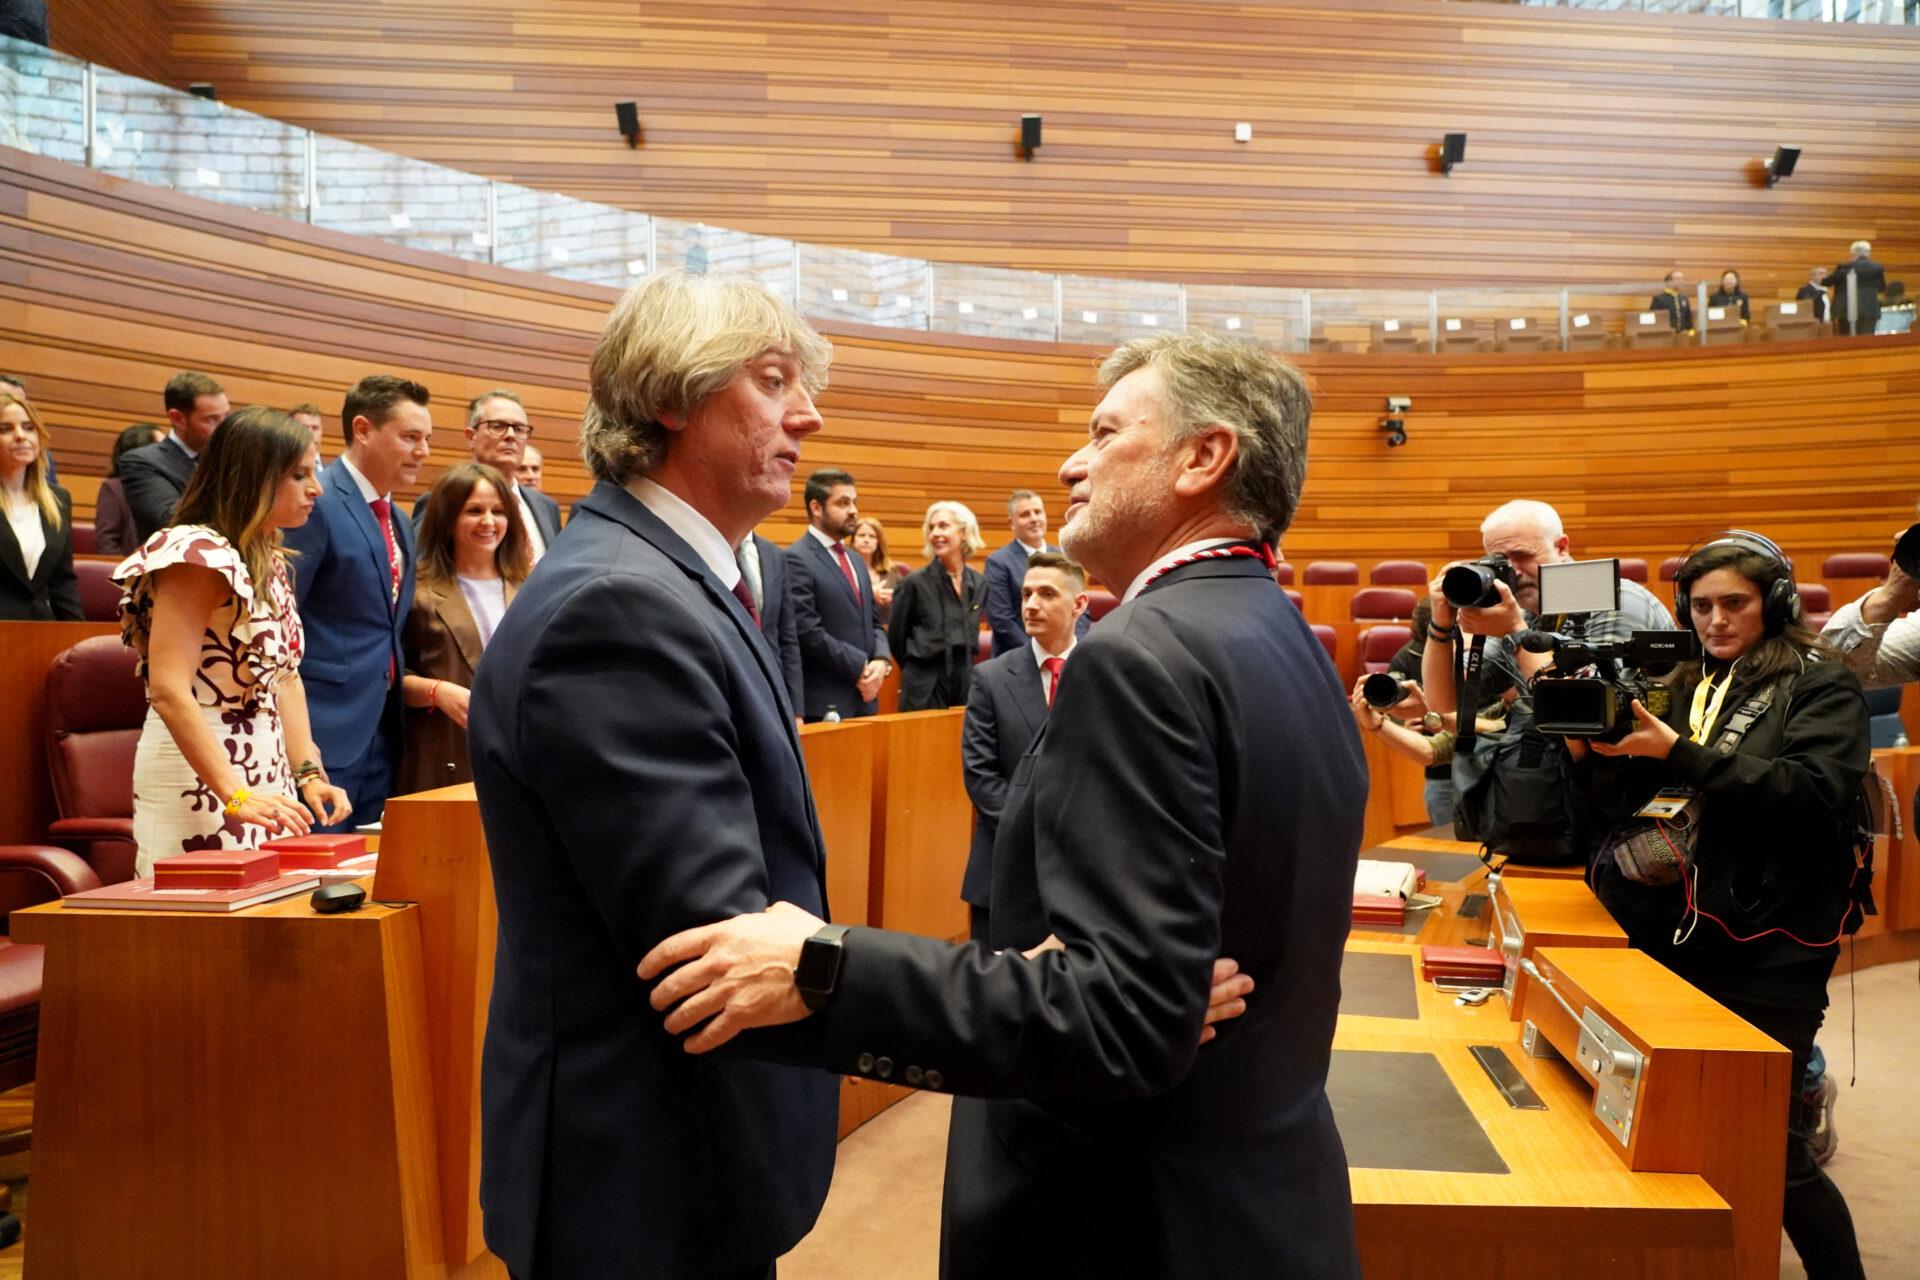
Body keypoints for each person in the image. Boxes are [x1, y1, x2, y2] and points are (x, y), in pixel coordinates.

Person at [643, 329, 1368, 1280]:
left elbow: (1123, 1017)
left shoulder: (1142, 655)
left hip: (1129, 1218)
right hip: (1262, 1200)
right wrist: (1142, 986)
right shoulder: (1282, 633)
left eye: (1106, 434)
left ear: (1203, 457)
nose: (1072, 465)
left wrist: (823, 967)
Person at [466, 271, 841, 1280]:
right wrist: (1008, 1000)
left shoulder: (674, 579)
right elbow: (716, 939)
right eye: (773, 380)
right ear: (672, 396)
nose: (808, 414)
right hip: (636, 1174)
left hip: (684, 1149)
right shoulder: (616, 606)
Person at [1557, 531, 1869, 1280]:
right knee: (1669, 1130)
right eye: (1701, 606)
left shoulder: (1820, 682)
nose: (1716, 620)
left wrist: (1678, 752)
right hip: (1670, 935)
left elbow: (1811, 792)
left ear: (1776, 603)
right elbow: (1628, 819)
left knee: (1774, 1154)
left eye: (1735, 603)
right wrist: (1588, 760)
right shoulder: (1680, 680)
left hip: (1771, 948)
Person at [113, 407, 350, 876]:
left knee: (268, 909)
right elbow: (168, 689)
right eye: (299, 475)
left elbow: (285, 678)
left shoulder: (269, 554)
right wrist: (234, 793)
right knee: (197, 912)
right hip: (200, 773)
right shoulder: (195, 555)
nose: (316, 488)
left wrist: (307, 773)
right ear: (253, 478)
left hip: (265, 766)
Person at [282, 374, 431, 829]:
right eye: (410, 437)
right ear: (363, 429)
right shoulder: (315, 502)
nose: (423, 451)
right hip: (323, 731)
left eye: (426, 439)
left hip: (383, 730)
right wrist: (300, 744)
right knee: (317, 868)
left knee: (368, 867)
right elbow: (282, 620)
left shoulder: (399, 519)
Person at [959, 550, 1085, 940]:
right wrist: (1039, 831)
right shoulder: (990, 677)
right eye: (1026, 594)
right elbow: (980, 775)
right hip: (1004, 870)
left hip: (1081, 876)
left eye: (1047, 594)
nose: (1031, 604)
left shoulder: (1104, 672)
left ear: (1080, 604)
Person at [396, 462, 529, 797]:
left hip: (518, 754)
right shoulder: (417, 591)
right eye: (474, 511)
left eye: (498, 511)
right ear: (448, 518)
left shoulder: (530, 587)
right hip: (444, 752)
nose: (489, 522)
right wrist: (436, 691)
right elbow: (391, 679)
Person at [787, 467, 890, 721]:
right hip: (827, 703)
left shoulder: (855, 559)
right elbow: (807, 631)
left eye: (854, 502)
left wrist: (881, 661)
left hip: (866, 699)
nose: (853, 510)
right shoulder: (796, 558)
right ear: (816, 507)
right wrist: (859, 666)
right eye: (843, 503)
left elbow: (874, 622)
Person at [415, 390, 560, 564]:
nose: (511, 435)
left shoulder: (546, 507)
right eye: (497, 426)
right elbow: (423, 567)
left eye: (519, 429)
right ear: (471, 437)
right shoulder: (442, 500)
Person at [888, 500, 987, 711]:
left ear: (963, 532)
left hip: (965, 680)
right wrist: (918, 671)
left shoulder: (978, 582)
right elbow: (896, 637)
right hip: (924, 684)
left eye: (943, 526)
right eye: (931, 528)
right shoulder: (914, 582)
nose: (935, 533)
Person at [0, 392, 82, 621]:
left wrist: (78, 634)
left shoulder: (58, 500)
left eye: (29, 427)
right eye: (5, 429)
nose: (20, 435)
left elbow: (63, 582)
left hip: (41, 629)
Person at [120, 371, 229, 543]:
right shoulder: (141, 462)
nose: (224, 428)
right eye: (212, 419)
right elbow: (171, 521)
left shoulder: (228, 459)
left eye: (226, 417)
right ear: (178, 419)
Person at [982, 489, 1092, 655]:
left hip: (1066, 658)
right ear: (1011, 522)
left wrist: (1072, 649)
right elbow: (1001, 620)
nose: (1034, 519)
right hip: (1018, 658)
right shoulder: (998, 562)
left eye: (1038, 512)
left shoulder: (1066, 557)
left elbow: (1081, 612)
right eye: (1025, 514)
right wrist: (1039, 653)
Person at [740, 527, 805, 712]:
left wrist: (796, 708)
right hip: (734, 684)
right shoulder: (712, 551)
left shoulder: (774, 554)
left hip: (774, 685)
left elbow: (788, 635)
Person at [94, 423, 166, 557]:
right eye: (162, 448)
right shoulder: (114, 488)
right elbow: (107, 544)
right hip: (131, 567)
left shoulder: (174, 485)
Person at [851, 516, 905, 627]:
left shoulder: (892, 571)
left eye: (872, 536)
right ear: (853, 540)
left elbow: (907, 600)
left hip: (886, 629)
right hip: (855, 628)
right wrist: (870, 595)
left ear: (878, 542)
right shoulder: (844, 568)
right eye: (861, 535)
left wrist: (894, 599)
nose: (866, 540)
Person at [1826, 240, 1886, 336]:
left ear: (1853, 253)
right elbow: (1882, 288)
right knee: (1867, 339)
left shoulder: (1845, 267)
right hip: (1869, 309)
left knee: (1847, 339)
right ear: (1868, 252)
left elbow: (1826, 283)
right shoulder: (1877, 268)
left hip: (1846, 310)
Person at [1649, 269, 1693, 333]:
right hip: (1666, 335)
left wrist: (1691, 330)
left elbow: (1688, 318)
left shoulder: (1683, 298)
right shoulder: (1659, 299)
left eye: (1682, 279)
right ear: (1669, 281)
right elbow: (1654, 320)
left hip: (1683, 334)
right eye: (1678, 279)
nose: (1681, 281)